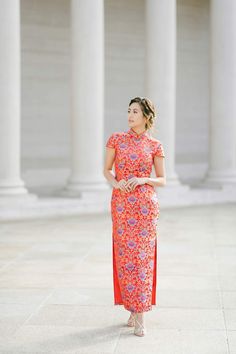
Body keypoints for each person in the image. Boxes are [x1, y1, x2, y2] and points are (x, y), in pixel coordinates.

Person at [103, 97, 166, 336]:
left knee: (142, 259)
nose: (130, 115)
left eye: (135, 111)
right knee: (124, 257)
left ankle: (140, 315)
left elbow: (162, 179)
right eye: (128, 110)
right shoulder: (116, 139)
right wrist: (117, 184)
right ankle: (131, 307)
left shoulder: (155, 145)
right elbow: (106, 170)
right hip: (121, 204)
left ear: (146, 117)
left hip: (145, 207)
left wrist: (143, 179)